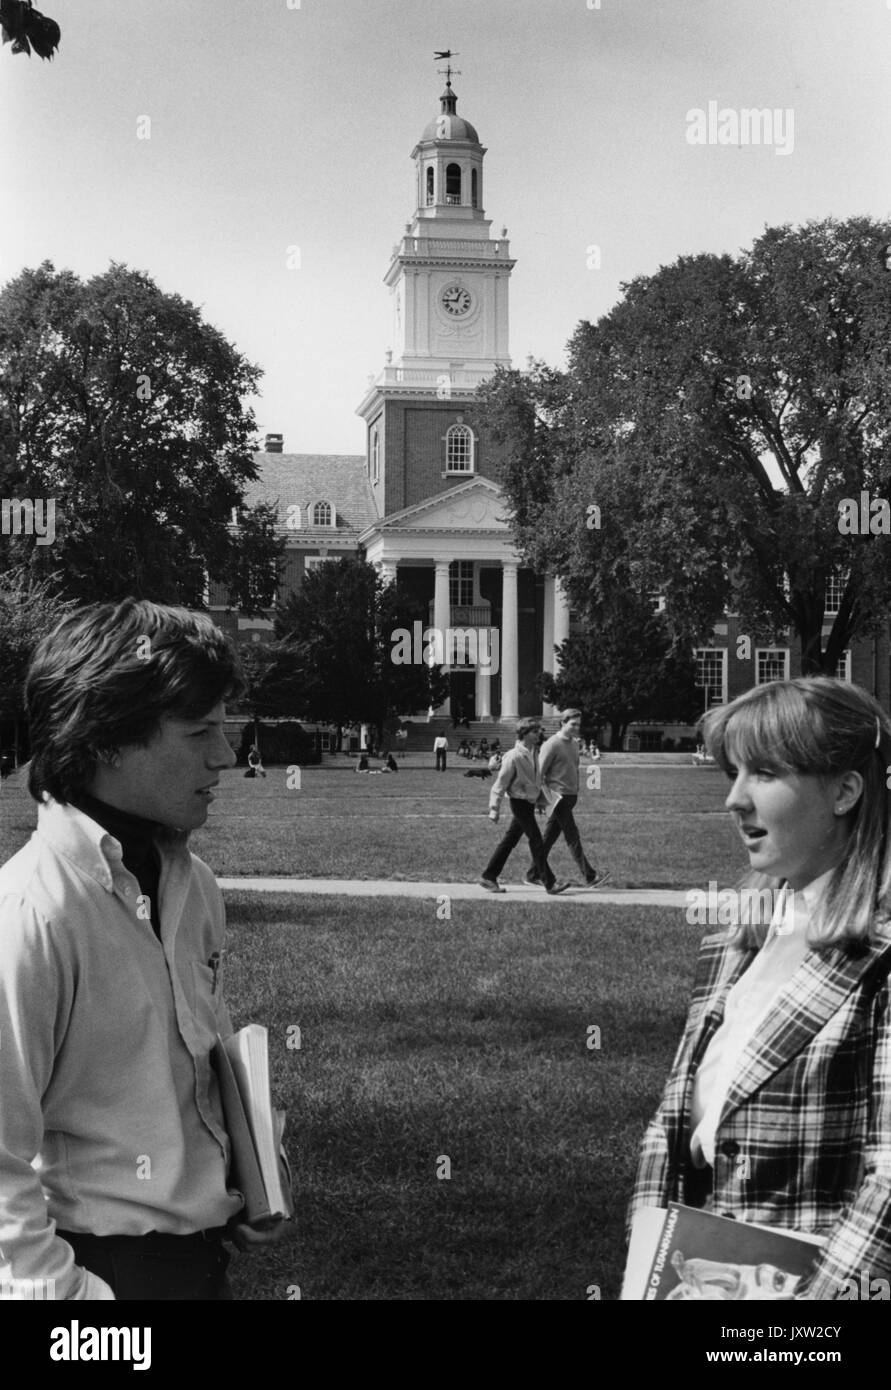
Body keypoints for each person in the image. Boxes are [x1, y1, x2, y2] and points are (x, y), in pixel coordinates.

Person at [0, 599, 288, 1302]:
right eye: (199, 732)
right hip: (101, 1277)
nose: (225, 756)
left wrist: (249, 1170)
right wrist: (73, 1306)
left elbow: (192, 1053)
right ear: (105, 741)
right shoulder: (33, 913)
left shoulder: (193, 884)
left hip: (201, 1264)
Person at [627, 676, 891, 1300]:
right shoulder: (737, 939)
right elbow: (672, 1125)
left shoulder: (880, 953)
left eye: (765, 774)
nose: (733, 800)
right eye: (733, 773)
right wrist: (647, 1269)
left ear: (845, 791)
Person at [479, 718, 571, 896]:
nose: (539, 734)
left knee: (510, 840)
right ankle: (550, 883)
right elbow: (500, 784)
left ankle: (488, 876)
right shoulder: (513, 756)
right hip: (519, 802)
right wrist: (494, 808)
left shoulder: (533, 752)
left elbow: (535, 781)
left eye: (538, 731)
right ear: (524, 734)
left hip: (528, 802)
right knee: (536, 841)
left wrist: (539, 802)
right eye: (534, 732)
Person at [526, 709, 610, 889]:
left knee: (548, 838)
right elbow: (538, 773)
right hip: (557, 796)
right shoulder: (551, 744)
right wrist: (539, 799)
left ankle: (532, 873)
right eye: (573, 724)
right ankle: (590, 875)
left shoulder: (574, 744)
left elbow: (573, 768)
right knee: (573, 836)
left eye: (579, 724)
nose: (576, 727)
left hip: (571, 795)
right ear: (562, 723)